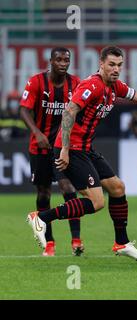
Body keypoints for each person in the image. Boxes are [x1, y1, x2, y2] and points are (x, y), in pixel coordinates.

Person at [26, 46, 137, 261]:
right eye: (112, 65)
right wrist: (65, 149)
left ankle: (121, 243)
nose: (116, 69)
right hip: (72, 148)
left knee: (117, 188)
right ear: (101, 64)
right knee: (96, 202)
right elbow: (69, 111)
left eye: (119, 65)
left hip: (86, 148)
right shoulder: (92, 85)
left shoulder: (115, 87)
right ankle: (40, 218)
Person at [20, 47, 83, 256]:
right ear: (50, 61)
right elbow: (23, 110)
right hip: (39, 147)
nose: (63, 63)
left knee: (67, 187)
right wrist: (37, 132)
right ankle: (49, 242)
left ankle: (76, 240)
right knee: (44, 192)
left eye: (67, 60)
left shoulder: (76, 84)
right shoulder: (36, 82)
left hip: (63, 147)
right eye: (59, 60)